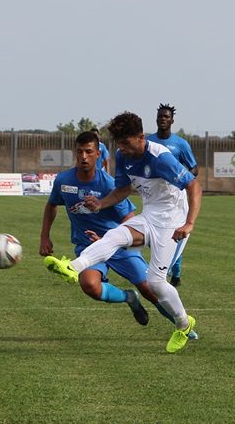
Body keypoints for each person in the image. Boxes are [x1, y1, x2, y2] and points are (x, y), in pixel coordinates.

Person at [45, 111, 200, 354]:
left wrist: (189, 223)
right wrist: (101, 204)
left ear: (140, 137)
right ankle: (72, 267)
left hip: (173, 222)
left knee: (156, 285)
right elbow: (122, 190)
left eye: (125, 143)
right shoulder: (123, 155)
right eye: (118, 143)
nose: (121, 149)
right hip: (150, 215)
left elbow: (194, 185)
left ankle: (183, 324)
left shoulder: (162, 159)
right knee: (115, 236)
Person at [40, 130, 153, 326]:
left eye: (89, 152)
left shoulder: (109, 184)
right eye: (80, 152)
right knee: (89, 285)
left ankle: (183, 323)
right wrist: (44, 237)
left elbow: (130, 218)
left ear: (98, 154)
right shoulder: (63, 181)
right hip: (88, 246)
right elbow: (51, 205)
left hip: (119, 246)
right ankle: (129, 298)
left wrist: (112, 240)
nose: (84, 157)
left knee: (150, 289)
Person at [146, 103, 198, 287]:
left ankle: (175, 274)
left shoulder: (180, 144)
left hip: (175, 196)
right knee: (154, 237)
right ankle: (164, 270)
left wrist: (180, 178)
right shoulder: (148, 142)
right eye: (160, 116)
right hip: (153, 195)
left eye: (166, 117)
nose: (163, 119)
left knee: (175, 234)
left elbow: (194, 168)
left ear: (172, 120)